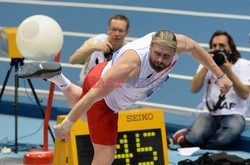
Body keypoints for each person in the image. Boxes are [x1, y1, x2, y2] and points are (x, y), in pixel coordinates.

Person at [16, 30, 233, 164]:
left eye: (166, 56)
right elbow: (92, 96)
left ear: (175, 51)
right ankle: (60, 80)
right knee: (105, 155)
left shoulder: (179, 43)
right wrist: (67, 124)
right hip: (104, 93)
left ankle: (59, 78)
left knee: (90, 120)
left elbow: (197, 49)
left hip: (103, 76)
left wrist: (220, 74)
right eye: (157, 54)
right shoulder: (130, 65)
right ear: (150, 47)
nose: (160, 60)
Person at [173, 30, 250, 150]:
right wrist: (205, 64)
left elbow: (245, 94)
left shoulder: (243, 65)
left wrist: (228, 71)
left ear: (231, 48)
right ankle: (192, 137)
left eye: (222, 46)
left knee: (225, 139)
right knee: (194, 137)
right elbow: (194, 89)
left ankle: (196, 143)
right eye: (214, 46)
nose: (217, 48)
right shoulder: (206, 64)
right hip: (209, 113)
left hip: (233, 114)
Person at [69, 14, 130, 85]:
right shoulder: (96, 41)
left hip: (112, 92)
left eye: (120, 30)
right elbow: (73, 60)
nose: (116, 34)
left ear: (127, 33)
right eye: (113, 29)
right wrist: (92, 48)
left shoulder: (129, 51)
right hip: (87, 87)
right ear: (108, 30)